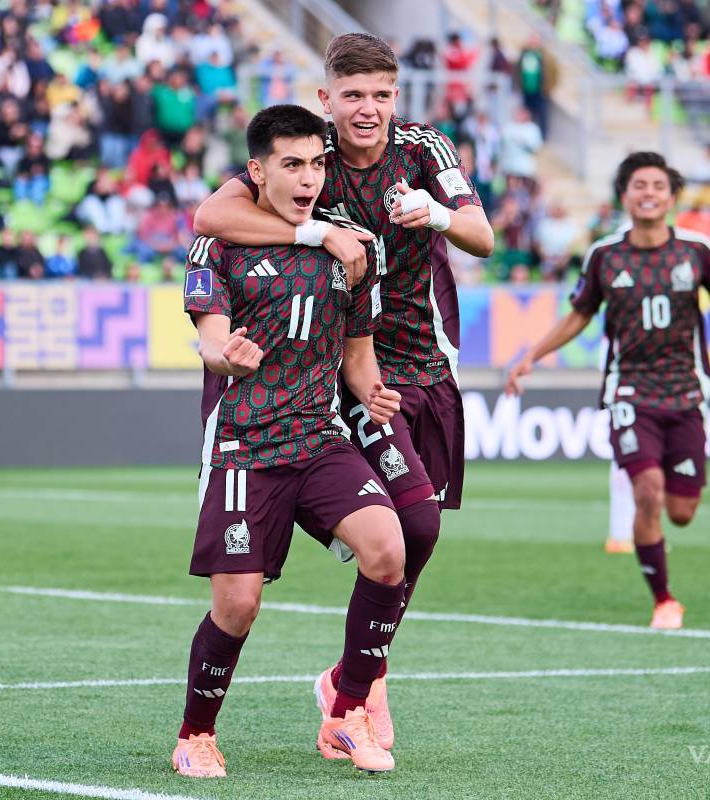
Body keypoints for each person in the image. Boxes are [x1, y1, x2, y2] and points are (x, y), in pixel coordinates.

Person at [192, 32, 494, 749]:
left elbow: (480, 235)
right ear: (328, 98)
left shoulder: (424, 150)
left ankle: (352, 680)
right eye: (353, 95)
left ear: (398, 96)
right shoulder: (305, 153)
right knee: (404, 531)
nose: (368, 109)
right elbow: (211, 218)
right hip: (336, 372)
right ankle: (359, 690)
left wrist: (438, 214)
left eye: (381, 95)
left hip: (414, 365)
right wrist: (315, 234)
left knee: (415, 530)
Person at [173, 104, 404, 779]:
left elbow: (357, 349)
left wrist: (371, 390)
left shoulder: (354, 244)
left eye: (316, 163)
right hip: (244, 446)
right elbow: (211, 335)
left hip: (318, 439)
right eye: (292, 164)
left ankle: (346, 713)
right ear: (257, 170)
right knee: (238, 604)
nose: (309, 177)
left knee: (388, 548)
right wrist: (225, 357)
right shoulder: (219, 245)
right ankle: (195, 734)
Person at [506, 152, 710, 629]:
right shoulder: (605, 255)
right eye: (639, 185)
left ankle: (660, 537)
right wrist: (530, 355)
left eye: (658, 186)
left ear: (671, 196)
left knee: (682, 512)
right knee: (647, 491)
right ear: (624, 195)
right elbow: (579, 315)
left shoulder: (698, 250)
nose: (649, 193)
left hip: (686, 393)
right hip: (629, 393)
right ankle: (664, 600)